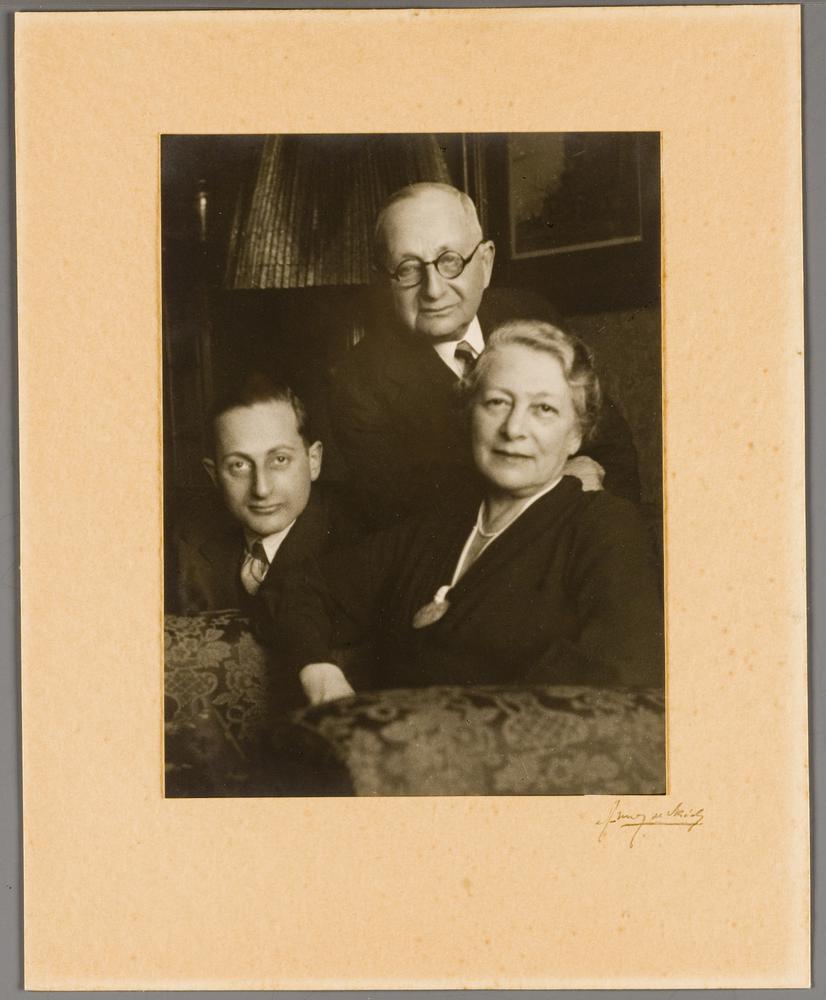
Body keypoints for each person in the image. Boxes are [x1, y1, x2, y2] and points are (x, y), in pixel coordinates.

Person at [275, 321, 663, 706]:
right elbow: (300, 589)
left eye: (543, 409)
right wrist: (320, 673)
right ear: (469, 413)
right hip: (387, 741)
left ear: (577, 434)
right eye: (497, 402)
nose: (514, 428)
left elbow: (619, 674)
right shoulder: (435, 527)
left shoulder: (603, 526)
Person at [329, 182, 641, 524]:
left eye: (450, 261)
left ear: (486, 262)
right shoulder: (357, 382)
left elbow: (611, 446)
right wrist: (554, 490)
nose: (433, 290)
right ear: (385, 281)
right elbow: (412, 522)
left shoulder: (532, 316)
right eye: (408, 268)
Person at [172, 373, 361, 616]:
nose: (261, 489)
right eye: (239, 465)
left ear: (313, 461)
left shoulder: (356, 546)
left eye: (280, 460)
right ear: (214, 474)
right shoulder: (185, 541)